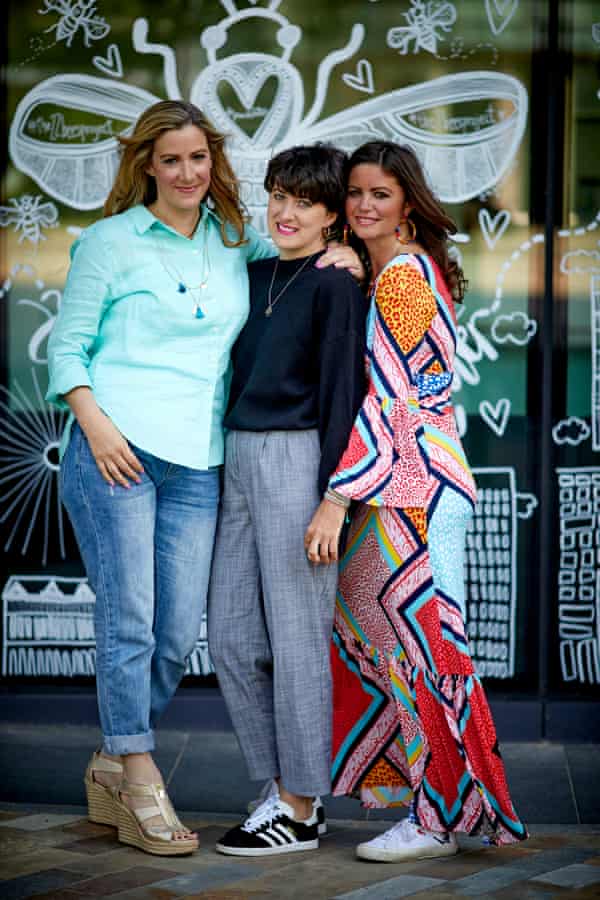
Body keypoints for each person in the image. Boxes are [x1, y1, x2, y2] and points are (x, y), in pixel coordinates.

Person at [46, 101, 359, 857]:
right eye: (171, 159)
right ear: (147, 166)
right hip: (116, 450)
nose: (186, 172)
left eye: (198, 158)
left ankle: (133, 756)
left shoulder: (233, 242)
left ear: (212, 164)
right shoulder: (109, 243)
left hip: (201, 464)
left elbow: (306, 252)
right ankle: (141, 773)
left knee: (180, 629)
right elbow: (68, 351)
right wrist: (95, 426)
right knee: (137, 622)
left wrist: (354, 252)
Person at [309, 140, 528, 861]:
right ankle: (451, 812)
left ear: (408, 203)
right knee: (409, 648)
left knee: (422, 653)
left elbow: (396, 400)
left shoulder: (403, 277)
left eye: (381, 193)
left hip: (418, 491)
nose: (366, 204)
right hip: (407, 486)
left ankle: (435, 821)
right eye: (356, 194)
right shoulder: (393, 273)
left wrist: (338, 499)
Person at [207, 144, 367, 857]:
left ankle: (302, 805)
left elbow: (344, 394)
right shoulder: (253, 271)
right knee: (233, 633)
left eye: (304, 200)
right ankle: (276, 786)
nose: (285, 211)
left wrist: (334, 496)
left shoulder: (337, 283)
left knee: (298, 636)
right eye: (278, 194)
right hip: (236, 454)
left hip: (298, 456)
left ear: (334, 216)